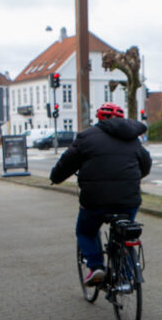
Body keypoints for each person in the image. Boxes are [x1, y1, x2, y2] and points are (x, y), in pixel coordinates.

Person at [50, 103, 151, 285]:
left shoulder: (87, 137)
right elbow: (146, 165)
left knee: (85, 231)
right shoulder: (133, 139)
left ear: (99, 118)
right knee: (125, 232)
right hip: (128, 200)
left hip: (95, 201)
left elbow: (67, 162)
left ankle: (96, 266)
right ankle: (128, 275)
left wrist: (55, 178)